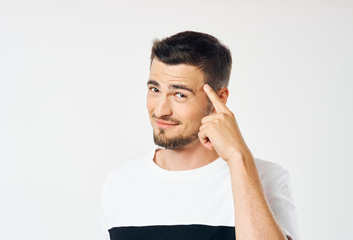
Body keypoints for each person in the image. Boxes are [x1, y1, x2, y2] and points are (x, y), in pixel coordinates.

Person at [99, 31, 299, 240]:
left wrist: (238, 158)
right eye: (154, 89)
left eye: (180, 94)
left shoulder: (266, 178)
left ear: (218, 99)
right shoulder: (120, 181)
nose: (161, 110)